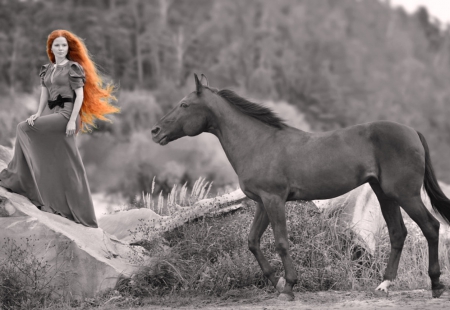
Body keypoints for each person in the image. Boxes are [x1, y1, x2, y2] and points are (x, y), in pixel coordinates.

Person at [0, 29, 119, 228]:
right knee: (61, 160)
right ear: (51, 48)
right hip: (54, 114)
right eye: (57, 45)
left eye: (64, 45)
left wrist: (72, 120)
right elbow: (44, 95)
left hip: (67, 115)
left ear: (68, 48)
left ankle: (18, 179)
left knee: (23, 129)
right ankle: (51, 199)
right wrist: (38, 114)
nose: (61, 48)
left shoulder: (73, 68)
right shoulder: (47, 69)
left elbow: (79, 96)